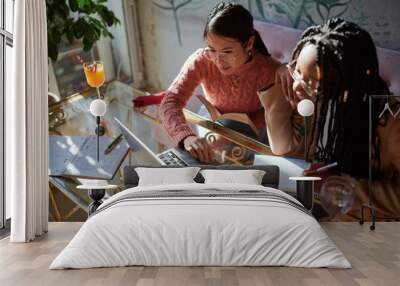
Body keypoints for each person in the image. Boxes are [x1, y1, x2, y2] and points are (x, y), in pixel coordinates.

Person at [259, 18, 400, 219]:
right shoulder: (320, 101)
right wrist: (283, 78)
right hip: (329, 208)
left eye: (311, 82)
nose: (297, 86)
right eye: (297, 70)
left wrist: (342, 184)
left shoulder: (392, 122)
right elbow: (284, 146)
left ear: (345, 84)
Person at [159, 2, 281, 163]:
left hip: (252, 134)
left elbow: (279, 113)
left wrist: (237, 130)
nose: (218, 60)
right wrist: (187, 137)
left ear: (249, 44)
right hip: (211, 125)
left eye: (227, 52)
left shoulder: (267, 69)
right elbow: (169, 102)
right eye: (212, 49)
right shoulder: (202, 60)